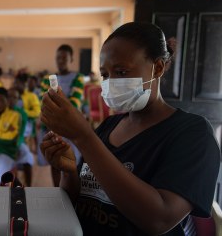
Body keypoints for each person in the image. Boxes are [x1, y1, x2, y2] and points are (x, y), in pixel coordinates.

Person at [40, 22, 220, 235]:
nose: (111, 82)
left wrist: (83, 137)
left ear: (158, 68)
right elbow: (79, 203)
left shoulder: (192, 134)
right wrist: (69, 173)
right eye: (105, 75)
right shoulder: (109, 127)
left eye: (122, 71)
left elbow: (159, 220)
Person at [38, 44, 85, 186]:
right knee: (55, 160)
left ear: (71, 59)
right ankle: (56, 190)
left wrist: (57, 112)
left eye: (64, 58)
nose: (61, 61)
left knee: (71, 161)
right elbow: (44, 102)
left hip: (71, 124)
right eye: (58, 58)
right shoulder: (48, 79)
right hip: (52, 125)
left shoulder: (78, 77)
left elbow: (75, 102)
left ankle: (71, 191)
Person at [8, 87, 34, 186]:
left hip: (18, 142)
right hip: (2, 143)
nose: (11, 99)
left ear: (18, 100)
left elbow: (20, 134)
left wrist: (15, 146)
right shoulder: (1, 111)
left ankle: (29, 186)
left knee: (28, 157)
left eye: (14, 98)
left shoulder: (22, 113)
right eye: (9, 97)